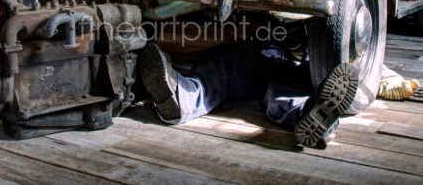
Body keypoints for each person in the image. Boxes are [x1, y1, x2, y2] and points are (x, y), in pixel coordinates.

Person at [140, 42, 358, 149]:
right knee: (223, 58)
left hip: (294, 68)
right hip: (254, 61)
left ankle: (315, 116)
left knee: (281, 91)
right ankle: (180, 97)